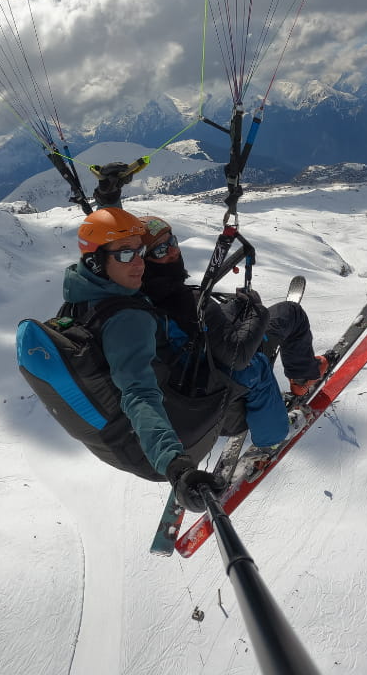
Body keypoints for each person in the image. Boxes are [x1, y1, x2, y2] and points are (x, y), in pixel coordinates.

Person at [63, 206, 226, 512]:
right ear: (95, 262)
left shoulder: (80, 296)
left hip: (117, 441)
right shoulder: (128, 319)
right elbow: (139, 393)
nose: (140, 263)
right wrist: (176, 466)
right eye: (126, 254)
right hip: (163, 447)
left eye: (140, 252)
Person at [138, 216, 327, 436]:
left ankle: (241, 309)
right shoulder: (188, 303)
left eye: (172, 242)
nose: (173, 251)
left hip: (191, 380)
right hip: (224, 400)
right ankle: (303, 378)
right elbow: (237, 357)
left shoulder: (141, 301)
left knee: (236, 306)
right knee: (290, 313)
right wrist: (257, 311)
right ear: (142, 261)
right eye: (160, 250)